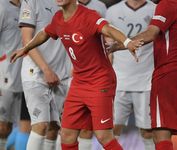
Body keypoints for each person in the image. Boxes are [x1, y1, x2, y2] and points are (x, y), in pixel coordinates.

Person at [10, 0, 143, 150]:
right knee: (66, 135)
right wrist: (26, 48)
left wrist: (127, 42)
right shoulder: (58, 18)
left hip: (100, 81)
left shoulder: (89, 15)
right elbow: (44, 33)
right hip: (78, 82)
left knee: (103, 136)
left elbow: (109, 29)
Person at [106, 0, 177, 149]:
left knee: (160, 132)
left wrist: (119, 45)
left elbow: (150, 34)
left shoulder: (166, 4)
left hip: (167, 74)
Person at [18, 0, 72, 150]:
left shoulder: (68, 3)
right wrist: (46, 70)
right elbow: (26, 40)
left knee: (54, 129)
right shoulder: (32, 2)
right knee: (41, 125)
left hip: (61, 75)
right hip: (36, 74)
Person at [105, 0, 156, 149]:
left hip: (147, 79)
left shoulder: (156, 9)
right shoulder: (112, 11)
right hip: (119, 79)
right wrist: (107, 75)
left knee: (148, 132)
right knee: (112, 128)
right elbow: (109, 46)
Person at [0, 0, 22, 150]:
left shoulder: (27, 7)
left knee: (7, 129)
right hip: (1, 77)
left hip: (18, 79)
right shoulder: (1, 7)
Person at [76, 0, 107, 150]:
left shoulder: (100, 7)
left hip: (94, 76)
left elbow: (107, 35)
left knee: (88, 129)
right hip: (69, 74)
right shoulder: (62, 6)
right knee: (65, 129)